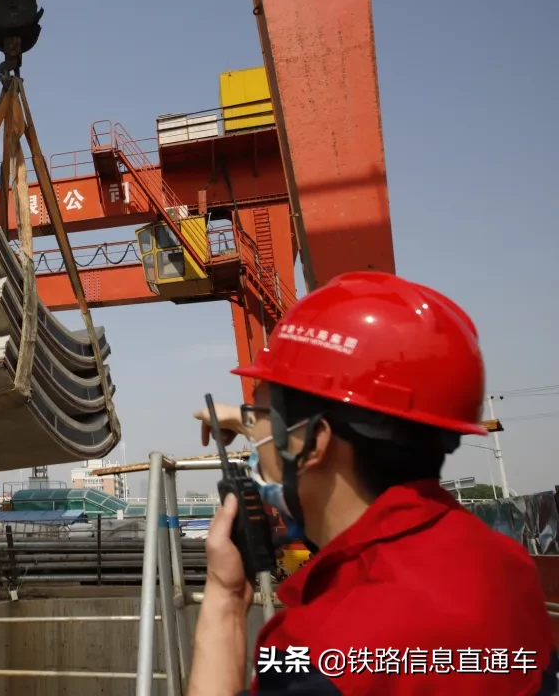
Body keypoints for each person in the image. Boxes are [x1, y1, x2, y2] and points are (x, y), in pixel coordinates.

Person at [187, 271, 557, 695]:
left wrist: (225, 598)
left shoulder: (315, 651)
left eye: (260, 415)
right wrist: (253, 417)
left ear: (312, 444)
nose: (256, 439)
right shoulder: (505, 565)